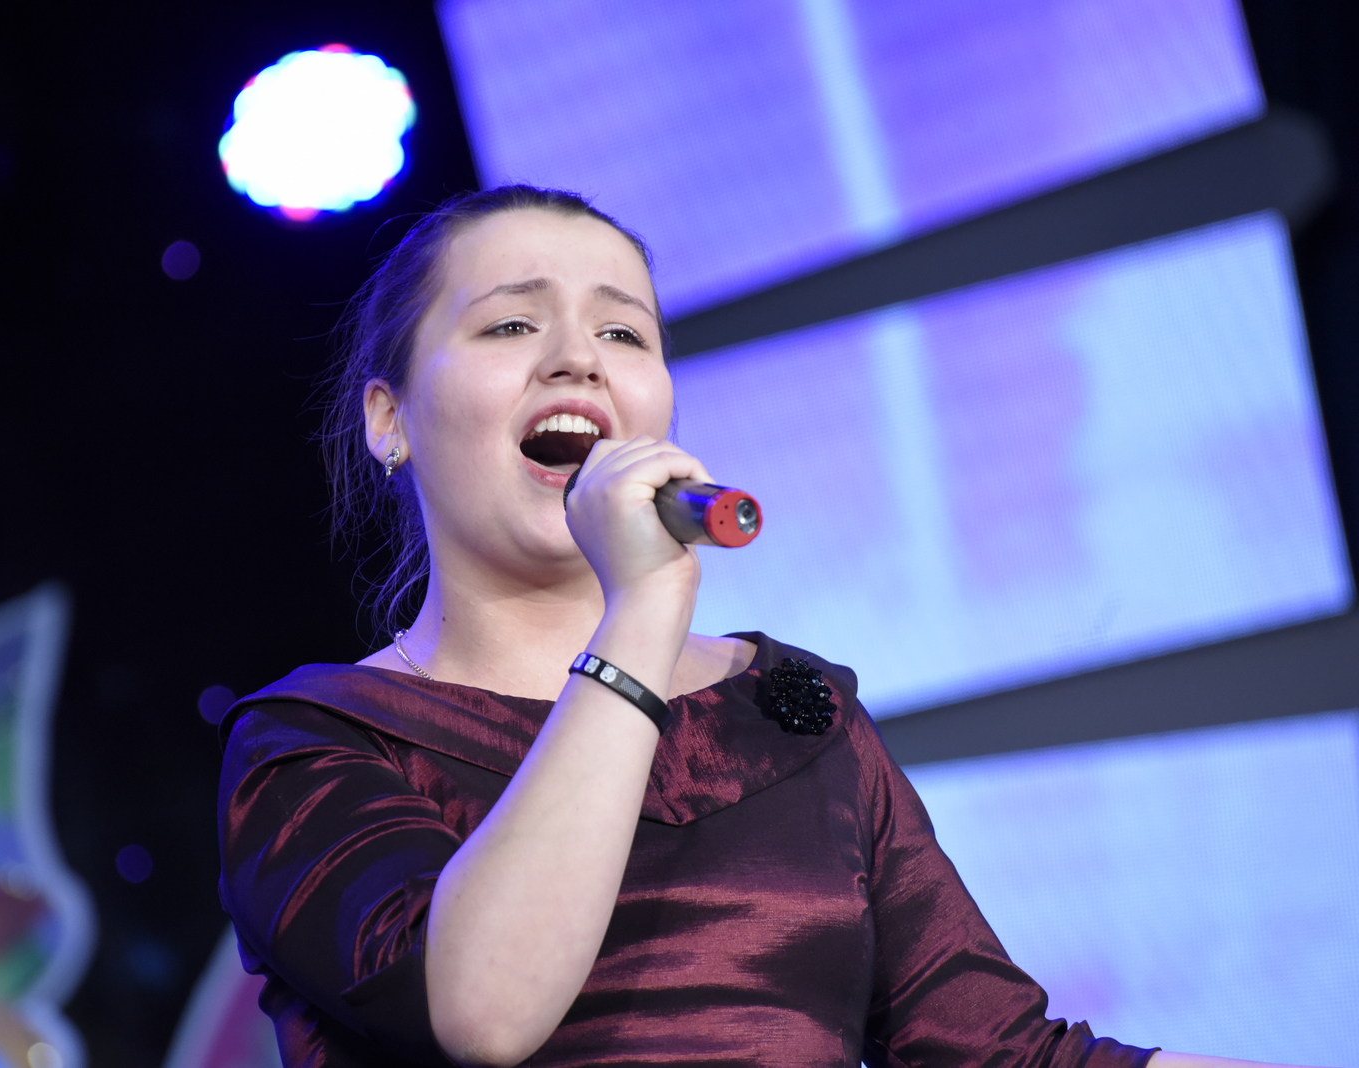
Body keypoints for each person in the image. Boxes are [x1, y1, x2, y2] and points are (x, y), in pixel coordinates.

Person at [216, 186, 1309, 1068]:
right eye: (511, 323)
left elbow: (995, 1051)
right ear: (389, 419)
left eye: (623, 331)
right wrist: (644, 609)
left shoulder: (793, 713)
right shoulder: (315, 744)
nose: (577, 357)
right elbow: (484, 1009)